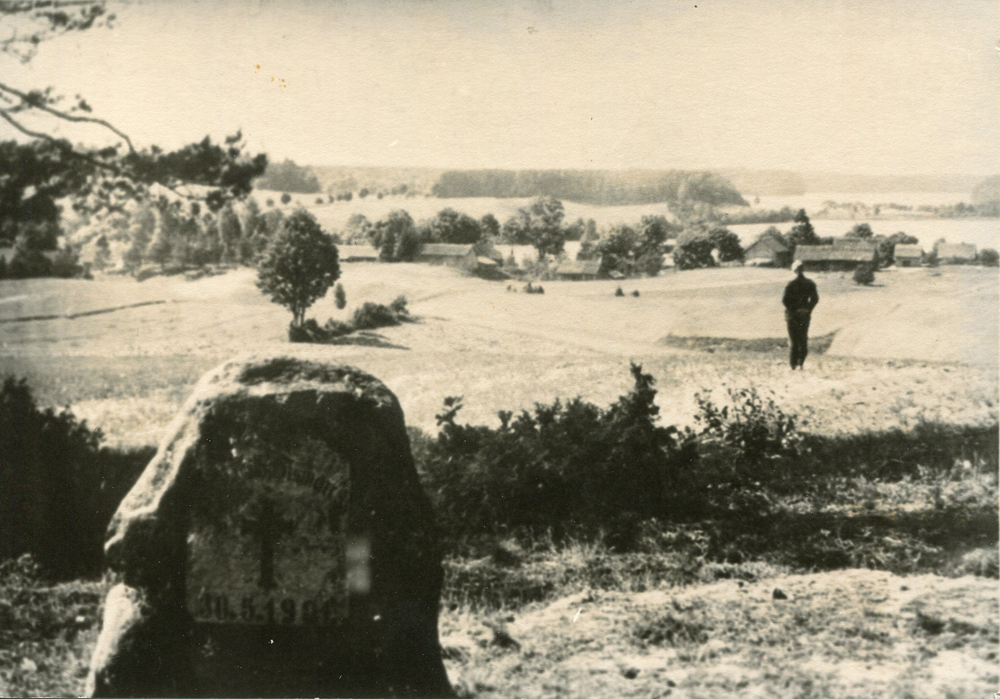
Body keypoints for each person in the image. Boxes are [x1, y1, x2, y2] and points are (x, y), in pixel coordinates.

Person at [782, 260, 819, 369]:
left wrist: (794, 310)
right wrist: (808, 309)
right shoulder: (810, 283)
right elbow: (815, 299)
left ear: (794, 270)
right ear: (803, 269)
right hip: (804, 315)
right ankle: (800, 363)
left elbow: (785, 300)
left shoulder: (790, 284)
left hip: (792, 316)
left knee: (794, 340)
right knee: (803, 339)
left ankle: (793, 365)